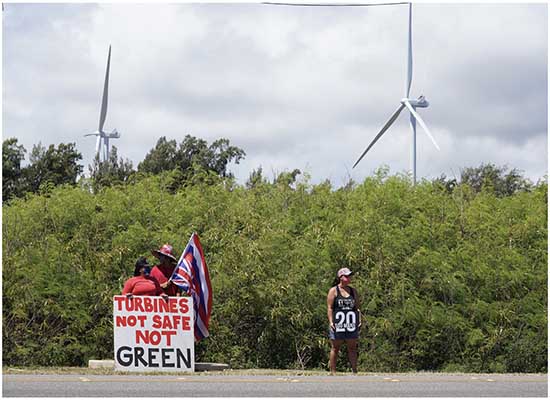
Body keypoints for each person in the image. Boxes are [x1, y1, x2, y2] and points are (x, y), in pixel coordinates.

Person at [327, 267, 361, 374]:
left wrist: (359, 320)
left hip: (350, 324)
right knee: (335, 348)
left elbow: (357, 307)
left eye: (349, 276)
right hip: (338, 324)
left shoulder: (353, 291)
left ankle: (354, 370)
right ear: (341, 277)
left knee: (352, 347)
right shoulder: (333, 291)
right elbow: (330, 307)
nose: (349, 278)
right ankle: (333, 371)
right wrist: (331, 322)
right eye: (347, 276)